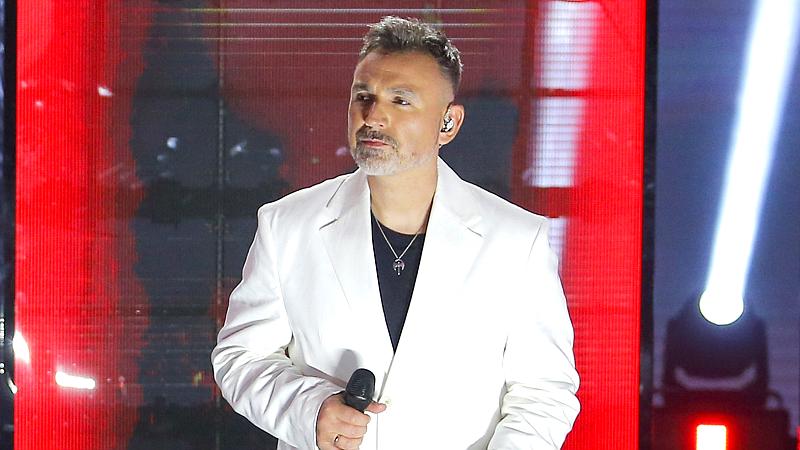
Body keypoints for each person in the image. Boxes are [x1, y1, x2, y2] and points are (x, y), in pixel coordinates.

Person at [212, 16, 580, 450]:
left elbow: (544, 393)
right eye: (363, 96)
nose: (374, 115)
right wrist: (309, 410)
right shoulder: (287, 225)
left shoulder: (517, 241)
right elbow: (240, 358)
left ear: (448, 123)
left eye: (401, 100)